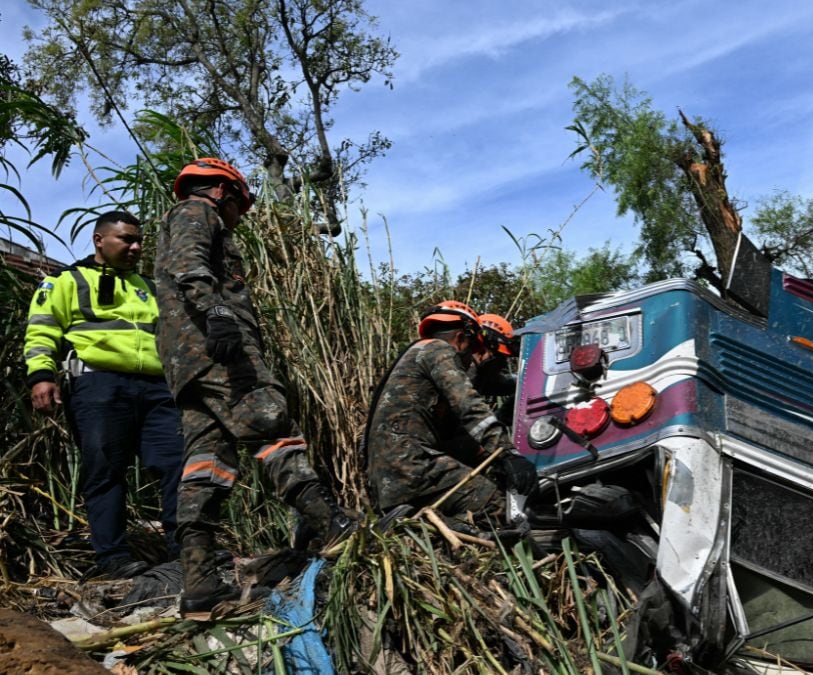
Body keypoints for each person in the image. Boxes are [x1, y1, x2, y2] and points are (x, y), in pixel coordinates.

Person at [156, 158, 356, 620]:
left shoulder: (185, 215)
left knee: (206, 463)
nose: (238, 216)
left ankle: (200, 583)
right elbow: (191, 265)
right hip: (215, 349)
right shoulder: (196, 211)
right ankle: (334, 527)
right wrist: (218, 313)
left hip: (188, 363)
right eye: (239, 206)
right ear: (224, 193)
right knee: (269, 421)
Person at [23, 211, 183, 579]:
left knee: (178, 464)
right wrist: (41, 376)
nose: (135, 247)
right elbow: (41, 331)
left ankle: (185, 549)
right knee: (106, 471)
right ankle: (113, 559)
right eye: (126, 239)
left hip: (158, 388)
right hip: (98, 385)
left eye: (138, 240)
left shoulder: (149, 286)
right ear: (100, 240)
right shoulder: (66, 281)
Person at [364, 301, 536, 527]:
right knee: (496, 506)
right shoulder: (439, 350)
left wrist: (492, 458)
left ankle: (424, 525)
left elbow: (458, 434)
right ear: (461, 338)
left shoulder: (416, 354)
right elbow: (469, 406)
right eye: (473, 346)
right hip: (412, 466)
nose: (473, 356)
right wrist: (508, 453)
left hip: (386, 477)